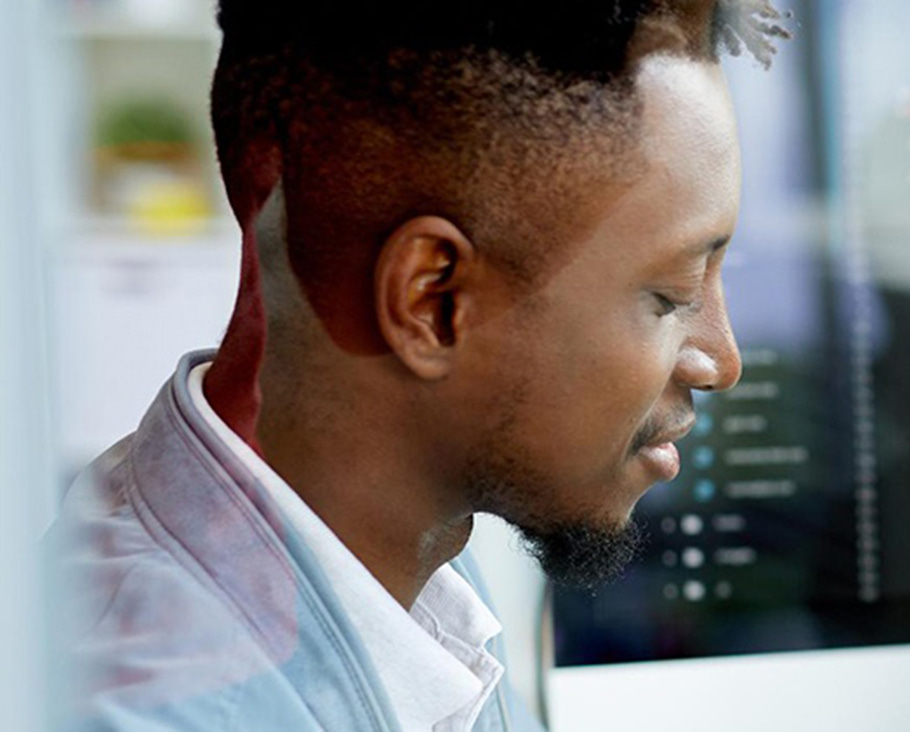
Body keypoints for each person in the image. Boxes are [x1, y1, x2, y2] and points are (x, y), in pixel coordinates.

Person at [49, 1, 789, 730]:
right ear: (432, 301)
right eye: (672, 295)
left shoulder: (402, 549)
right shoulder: (158, 707)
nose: (721, 361)